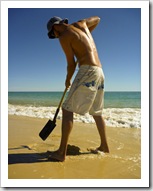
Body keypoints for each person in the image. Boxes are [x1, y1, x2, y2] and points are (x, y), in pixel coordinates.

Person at [47, 16, 109, 161]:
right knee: (97, 112)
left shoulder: (64, 36)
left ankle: (61, 152)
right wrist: (86, 35)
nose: (55, 37)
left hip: (87, 70)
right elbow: (98, 19)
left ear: (55, 27)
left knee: (67, 109)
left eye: (52, 34)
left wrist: (67, 79)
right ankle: (104, 146)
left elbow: (71, 64)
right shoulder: (82, 24)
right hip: (100, 71)